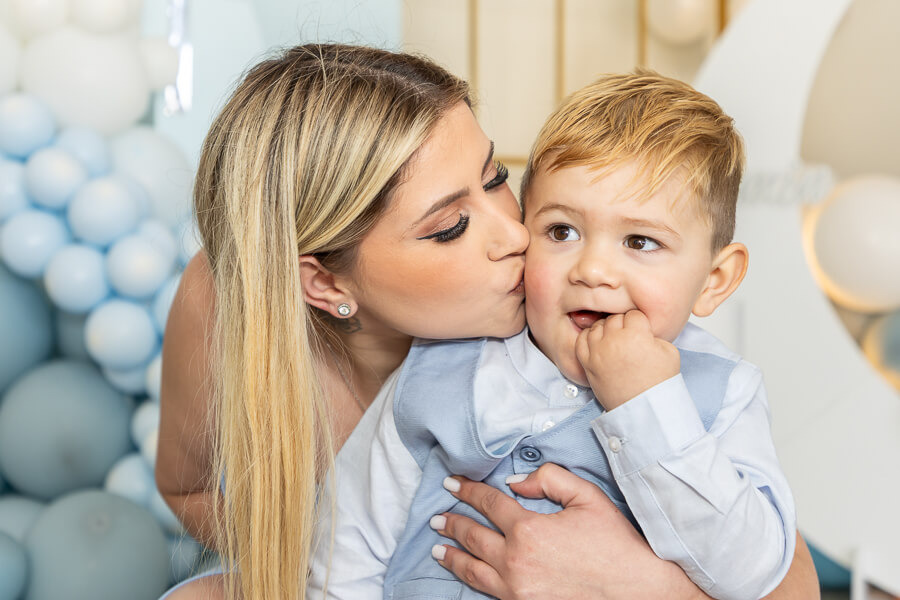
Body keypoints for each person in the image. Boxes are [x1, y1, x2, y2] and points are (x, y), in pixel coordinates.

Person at [156, 44, 819, 599]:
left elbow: (775, 573)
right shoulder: (226, 301)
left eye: (497, 176)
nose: (515, 233)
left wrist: (633, 582)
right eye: (450, 226)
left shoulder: (667, 363)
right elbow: (205, 496)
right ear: (325, 282)